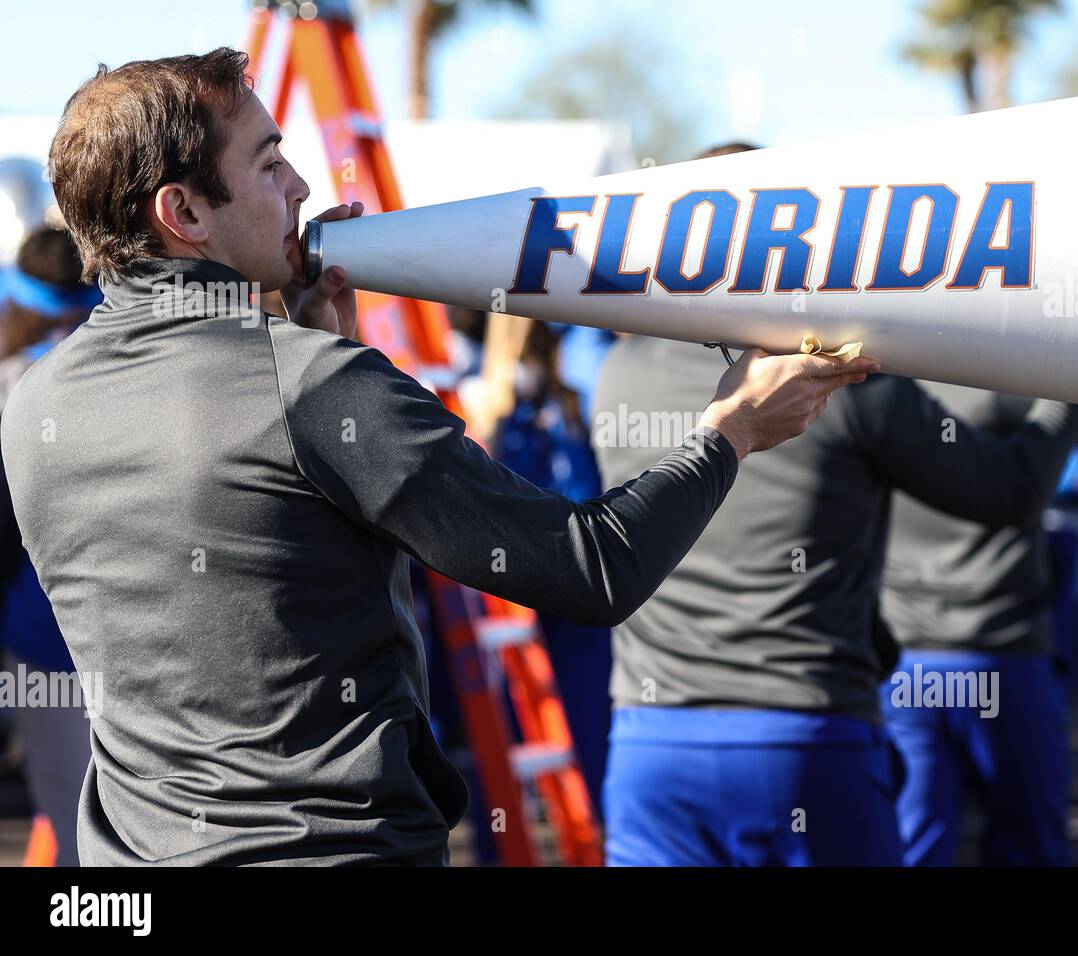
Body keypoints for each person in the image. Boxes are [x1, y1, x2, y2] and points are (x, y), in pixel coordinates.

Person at [0, 49, 874, 866]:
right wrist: (733, 431)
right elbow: (595, 568)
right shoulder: (310, 385)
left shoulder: (35, 397)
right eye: (269, 165)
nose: (304, 186)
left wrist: (309, 362)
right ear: (183, 213)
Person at [591, 139, 1078, 865]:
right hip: (808, 740)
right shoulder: (845, 381)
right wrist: (1073, 386)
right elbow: (1009, 493)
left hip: (650, 741)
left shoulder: (619, 372)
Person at [879, 384, 1070, 867]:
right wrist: (1075, 387)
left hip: (906, 661)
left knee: (910, 845)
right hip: (1000, 654)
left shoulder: (871, 394)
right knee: (1027, 846)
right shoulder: (1015, 387)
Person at [0, 226, 101, 866]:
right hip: (146, 639)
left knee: (72, 824)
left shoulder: (14, 377)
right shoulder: (133, 366)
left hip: (49, 642)